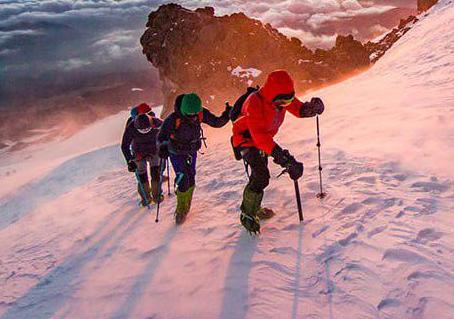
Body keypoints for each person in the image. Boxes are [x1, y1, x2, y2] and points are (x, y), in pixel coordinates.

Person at [231, 70, 325, 234]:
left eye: (288, 100)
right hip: (246, 140)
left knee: (259, 176)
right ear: (273, 95)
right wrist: (284, 159)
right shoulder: (255, 102)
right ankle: (247, 214)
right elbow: (260, 139)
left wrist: (311, 109)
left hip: (263, 139)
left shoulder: (281, 97)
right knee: (261, 176)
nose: (285, 104)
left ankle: (254, 207)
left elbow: (297, 108)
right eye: (282, 101)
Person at [157, 92, 231, 223]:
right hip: (176, 152)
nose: (193, 117)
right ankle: (180, 209)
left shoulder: (201, 113)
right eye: (190, 115)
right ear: (183, 110)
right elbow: (161, 137)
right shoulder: (174, 119)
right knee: (183, 178)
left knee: (191, 176)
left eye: (195, 114)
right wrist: (162, 146)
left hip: (192, 150)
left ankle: (186, 206)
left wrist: (227, 114)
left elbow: (216, 122)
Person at [121, 107, 164, 206]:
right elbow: (124, 145)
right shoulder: (131, 127)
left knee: (155, 173)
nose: (145, 130)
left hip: (154, 150)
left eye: (147, 128)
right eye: (142, 129)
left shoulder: (157, 123)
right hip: (138, 153)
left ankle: (156, 196)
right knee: (142, 175)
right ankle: (146, 198)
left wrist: (166, 145)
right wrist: (130, 160)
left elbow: (167, 129)